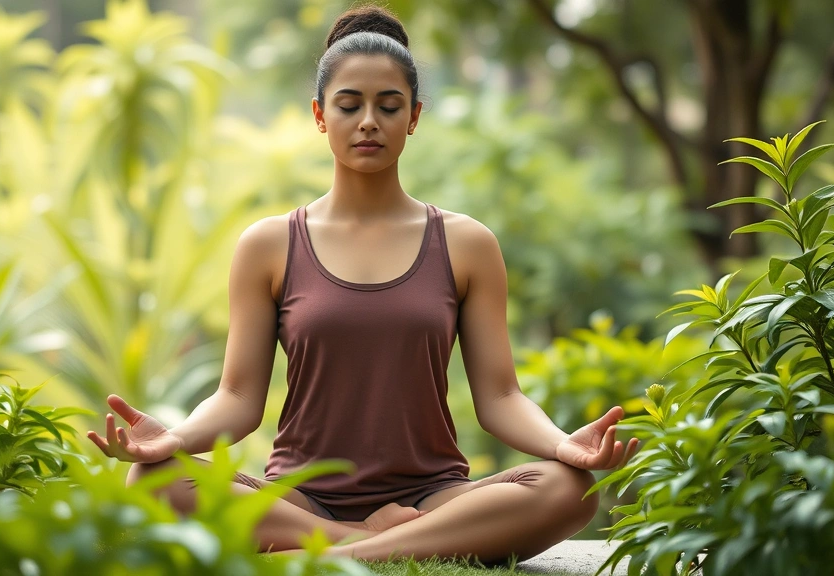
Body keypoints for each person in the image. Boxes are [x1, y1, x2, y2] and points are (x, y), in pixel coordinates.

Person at [87, 3, 640, 566]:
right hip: (302, 499)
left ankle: (339, 555)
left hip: (436, 497)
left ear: (415, 116)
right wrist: (175, 440)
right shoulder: (269, 244)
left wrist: (562, 444)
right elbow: (237, 399)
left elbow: (500, 398)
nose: (369, 121)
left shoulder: (467, 243)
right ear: (320, 115)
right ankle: (368, 545)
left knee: (571, 487)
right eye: (349, 105)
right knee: (154, 479)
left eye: (389, 105)